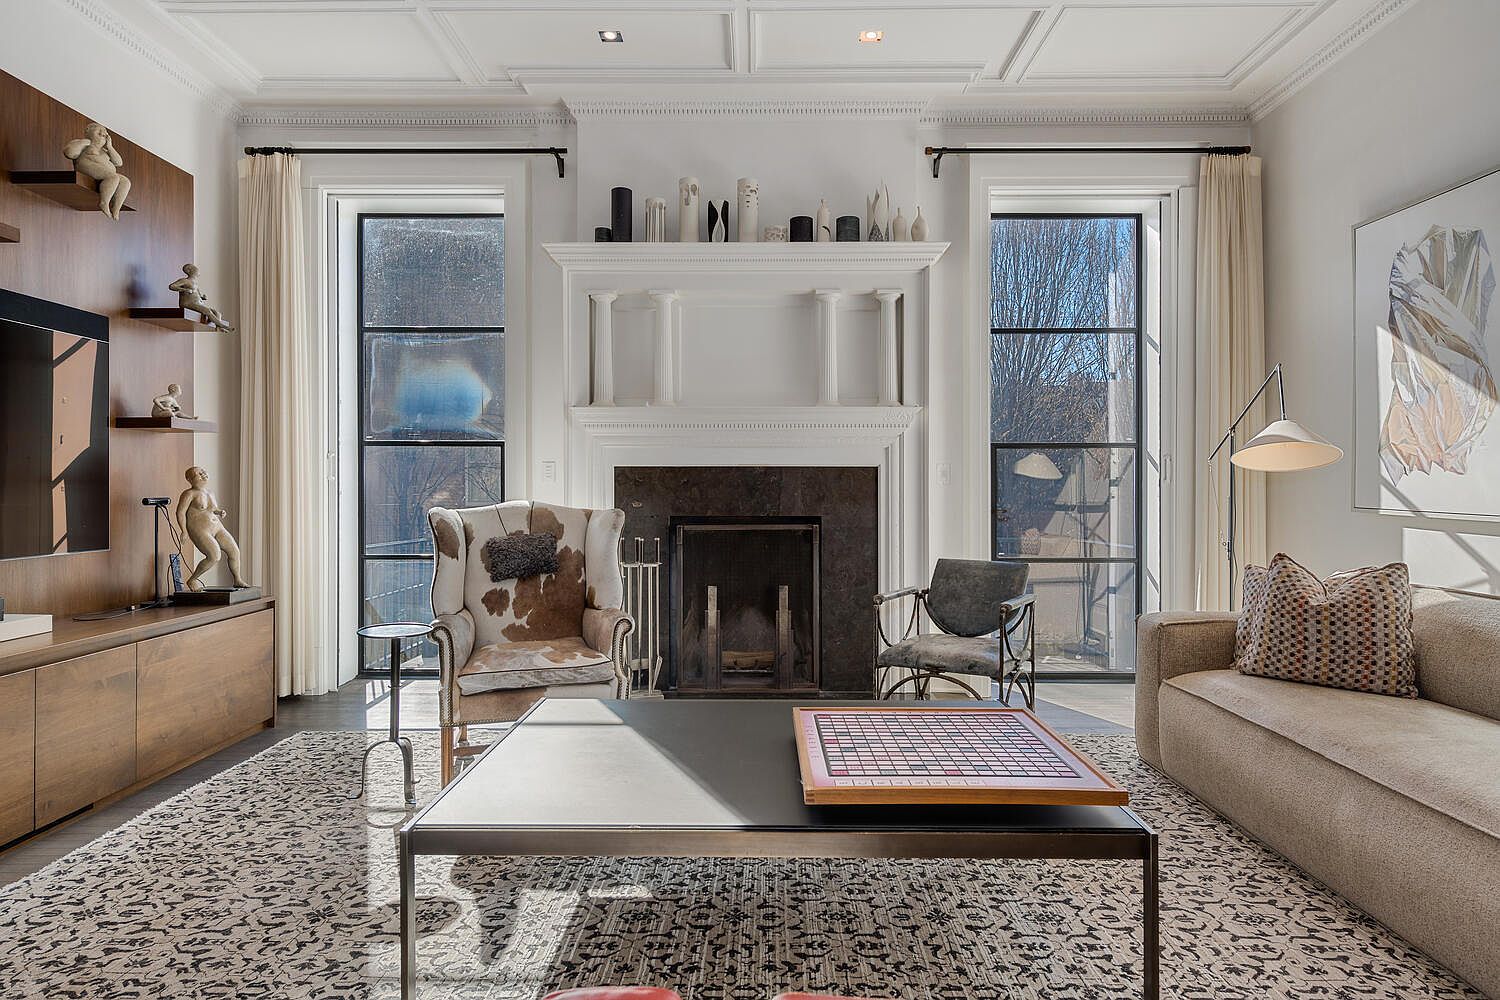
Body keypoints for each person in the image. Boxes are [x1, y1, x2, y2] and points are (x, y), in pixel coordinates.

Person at [175, 466, 248, 592]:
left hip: (217, 527)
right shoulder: (189, 494)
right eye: (198, 473)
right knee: (214, 556)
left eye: (203, 471)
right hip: (200, 530)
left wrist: (219, 512)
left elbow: (212, 508)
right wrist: (184, 531)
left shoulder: (210, 492)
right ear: (190, 479)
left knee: (234, 551)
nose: (203, 474)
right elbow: (180, 512)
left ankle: (237, 579)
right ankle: (193, 579)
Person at [62, 122, 131, 219]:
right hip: (88, 166)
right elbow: (69, 152)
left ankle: (116, 208)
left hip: (105, 174)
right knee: (113, 177)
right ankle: (104, 202)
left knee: (125, 181)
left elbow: (119, 162)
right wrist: (85, 142)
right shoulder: (83, 144)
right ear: (87, 131)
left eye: (105, 133)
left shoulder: (105, 151)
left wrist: (110, 147)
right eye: (97, 129)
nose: (103, 133)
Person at [169, 264, 236, 333]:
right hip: (188, 303)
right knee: (207, 311)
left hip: (197, 303)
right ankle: (223, 326)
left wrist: (202, 297)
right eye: (195, 269)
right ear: (189, 270)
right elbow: (172, 286)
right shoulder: (184, 281)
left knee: (218, 313)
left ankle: (218, 327)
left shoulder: (195, 283)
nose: (198, 272)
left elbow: (198, 294)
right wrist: (185, 290)